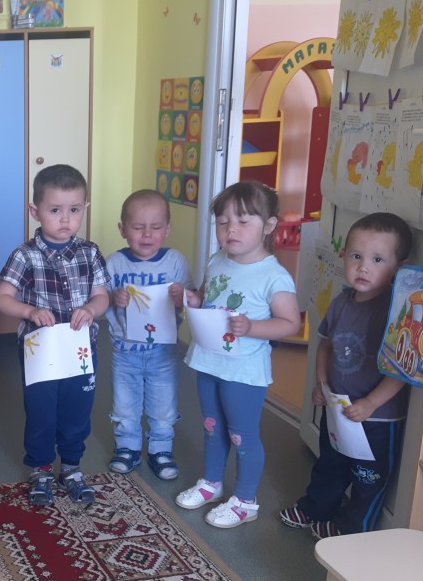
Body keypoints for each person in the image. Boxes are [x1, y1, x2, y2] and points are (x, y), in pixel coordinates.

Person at [176, 181, 301, 528]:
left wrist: (253, 327)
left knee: (241, 435)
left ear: (269, 225)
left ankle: (246, 501)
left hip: (244, 372)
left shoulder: (274, 276)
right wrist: (190, 299)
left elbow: (290, 323)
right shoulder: (217, 260)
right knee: (212, 427)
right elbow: (206, 297)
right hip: (209, 361)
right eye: (223, 222)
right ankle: (212, 483)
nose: (231, 229)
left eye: (243, 221)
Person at [280, 212, 411, 539]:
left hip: (377, 418)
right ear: (344, 256)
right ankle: (315, 509)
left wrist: (371, 403)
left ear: (399, 266)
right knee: (330, 463)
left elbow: (401, 370)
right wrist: (321, 383)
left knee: (369, 478)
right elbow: (325, 345)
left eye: (377, 259)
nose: (364, 267)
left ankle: (353, 530)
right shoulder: (341, 303)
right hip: (337, 407)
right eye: (356, 256)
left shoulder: (396, 312)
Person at [0, 164, 109, 507]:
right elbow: (1, 298)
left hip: (80, 349)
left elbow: (102, 297)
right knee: (42, 411)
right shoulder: (25, 254)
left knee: (77, 411)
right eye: (55, 210)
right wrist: (29, 312)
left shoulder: (90, 252)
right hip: (40, 351)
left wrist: (91, 309)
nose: (65, 219)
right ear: (35, 211)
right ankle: (41, 469)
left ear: (85, 209)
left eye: (74, 210)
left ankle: (71, 467)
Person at [105, 189, 192, 480]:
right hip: (124, 351)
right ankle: (127, 447)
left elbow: (192, 301)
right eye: (138, 227)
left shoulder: (175, 261)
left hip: (163, 352)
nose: (147, 234)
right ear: (122, 229)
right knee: (124, 404)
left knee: (163, 404)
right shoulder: (114, 263)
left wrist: (182, 297)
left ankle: (161, 449)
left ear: (167, 229)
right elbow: (99, 300)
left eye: (155, 227)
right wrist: (113, 298)